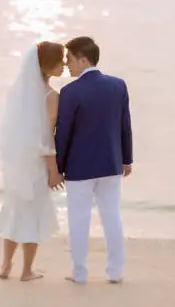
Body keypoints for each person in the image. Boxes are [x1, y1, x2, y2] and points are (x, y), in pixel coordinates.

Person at [55, 36, 133, 284]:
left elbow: (63, 133)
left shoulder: (70, 91)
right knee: (112, 217)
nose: (67, 64)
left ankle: (80, 274)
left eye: (69, 59)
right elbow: (125, 126)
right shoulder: (118, 85)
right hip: (111, 163)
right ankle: (116, 272)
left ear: (83, 59)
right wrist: (127, 158)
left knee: (79, 220)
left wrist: (58, 168)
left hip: (79, 168)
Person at [0, 41, 65, 281]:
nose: (64, 65)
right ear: (47, 65)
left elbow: (17, 131)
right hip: (36, 164)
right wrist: (54, 171)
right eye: (60, 60)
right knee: (32, 214)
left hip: (17, 163)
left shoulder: (19, 92)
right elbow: (45, 137)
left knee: (16, 211)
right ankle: (26, 271)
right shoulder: (50, 96)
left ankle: (5, 265)